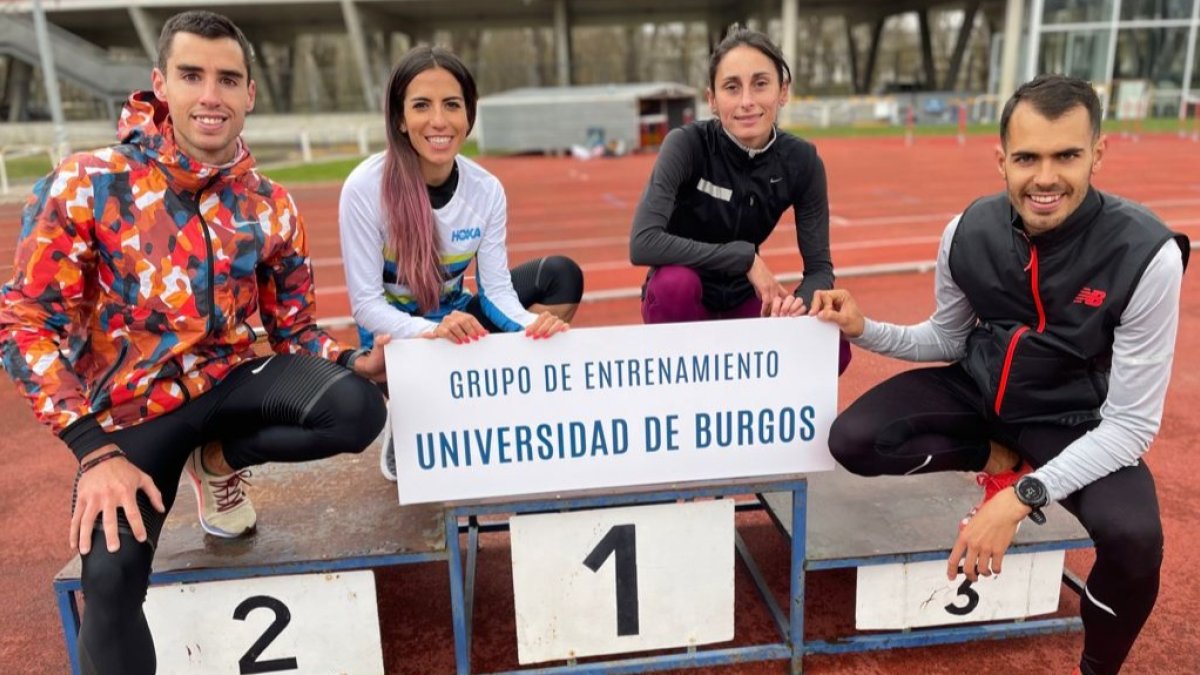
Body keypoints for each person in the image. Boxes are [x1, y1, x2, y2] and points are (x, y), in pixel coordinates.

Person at [0, 11, 388, 674]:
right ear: (160, 84)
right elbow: (24, 321)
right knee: (110, 581)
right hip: (130, 415)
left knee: (356, 409)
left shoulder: (269, 203)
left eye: (228, 79)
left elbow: (293, 328)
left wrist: (354, 360)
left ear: (249, 94)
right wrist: (93, 452)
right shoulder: (89, 182)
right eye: (191, 75)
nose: (211, 95)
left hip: (230, 384)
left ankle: (216, 462)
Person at [810, 74, 1187, 675]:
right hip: (981, 389)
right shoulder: (967, 231)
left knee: (1136, 540)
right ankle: (1000, 454)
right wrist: (864, 329)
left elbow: (1132, 427)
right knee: (854, 439)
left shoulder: (1147, 255)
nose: (1045, 178)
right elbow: (946, 338)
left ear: (1098, 153)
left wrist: (1019, 498)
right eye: (1027, 158)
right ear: (1001, 159)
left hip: (1072, 419)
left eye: (1066, 156)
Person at [339, 46, 583, 480]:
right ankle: (407, 415)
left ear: (468, 115)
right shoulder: (364, 189)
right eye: (421, 105)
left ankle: (496, 399)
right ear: (400, 118)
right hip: (397, 337)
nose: (439, 121)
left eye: (452, 105)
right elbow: (366, 305)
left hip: (458, 319)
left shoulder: (486, 190)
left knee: (562, 275)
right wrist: (429, 331)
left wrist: (534, 325)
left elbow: (496, 292)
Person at [628, 27, 850, 373]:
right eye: (732, 87)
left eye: (760, 84)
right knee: (675, 285)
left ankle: (764, 404)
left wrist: (800, 302)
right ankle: (685, 395)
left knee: (833, 346)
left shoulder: (802, 161)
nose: (747, 101)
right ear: (712, 99)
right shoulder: (686, 145)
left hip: (746, 298)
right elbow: (643, 243)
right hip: (683, 299)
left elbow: (820, 270)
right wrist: (744, 258)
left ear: (783, 91)